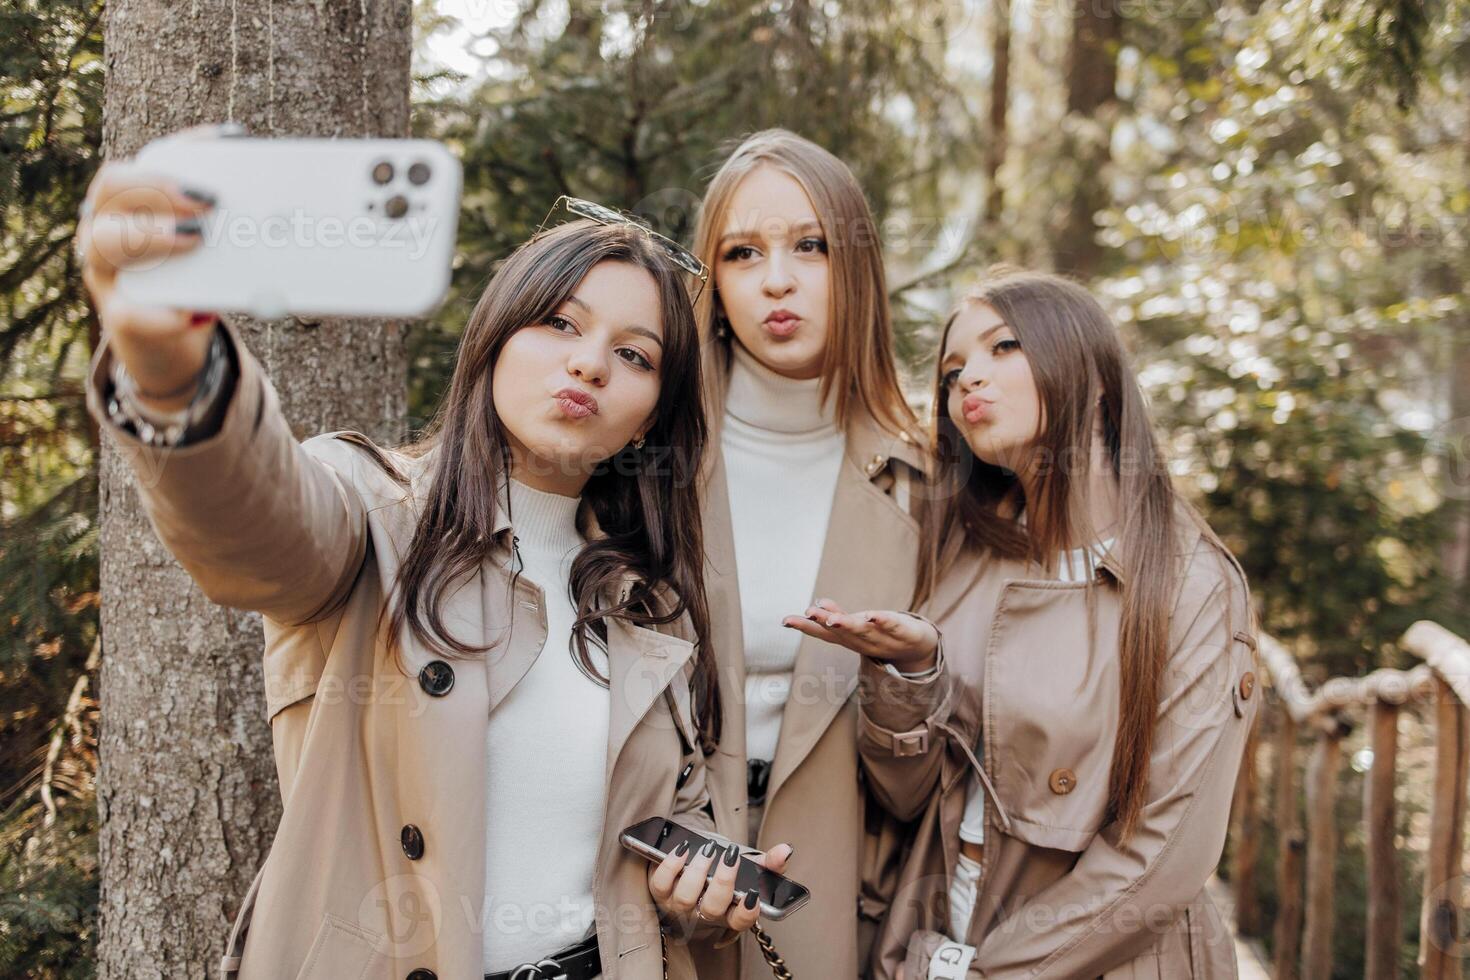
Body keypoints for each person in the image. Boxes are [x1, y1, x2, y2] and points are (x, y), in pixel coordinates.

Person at [76, 136, 787, 980]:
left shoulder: (646, 601)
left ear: (647, 419)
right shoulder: (373, 514)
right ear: (492, 341)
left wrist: (694, 888)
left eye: (634, 355)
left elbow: (665, 816)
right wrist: (170, 370)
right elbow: (250, 529)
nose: (589, 363)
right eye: (559, 323)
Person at [792, 267, 1259, 978]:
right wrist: (909, 674)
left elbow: (1163, 860)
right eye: (951, 372)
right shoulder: (964, 552)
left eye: (1003, 347)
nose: (966, 382)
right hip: (943, 930)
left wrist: (979, 976)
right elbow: (904, 796)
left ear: (1094, 373)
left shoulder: (1190, 584)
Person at [688, 128, 945, 980]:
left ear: (857, 268)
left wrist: (908, 678)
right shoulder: (644, 459)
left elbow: (922, 788)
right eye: (741, 252)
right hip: (650, 885)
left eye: (810, 246)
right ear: (712, 280)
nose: (777, 280)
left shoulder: (924, 485)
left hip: (837, 901)